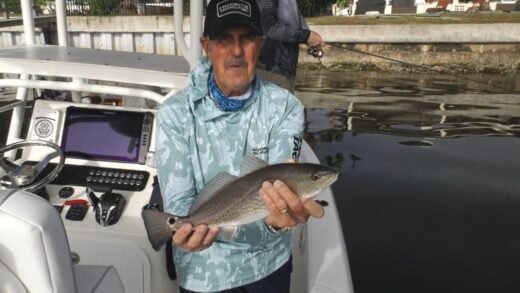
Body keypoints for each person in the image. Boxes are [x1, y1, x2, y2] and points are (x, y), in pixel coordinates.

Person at [155, 0, 323, 292]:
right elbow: (179, 203)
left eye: (246, 38)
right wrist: (185, 229)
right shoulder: (175, 113)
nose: (236, 51)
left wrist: (277, 220)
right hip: (202, 271)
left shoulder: (286, 107)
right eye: (223, 39)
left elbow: (285, 177)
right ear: (206, 46)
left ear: (260, 44)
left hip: (268, 264)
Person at [256, 0, 325, 92]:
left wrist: (310, 38)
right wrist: (306, 36)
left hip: (288, 72)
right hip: (269, 71)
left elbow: (296, 17)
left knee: (287, 104)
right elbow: (270, 28)